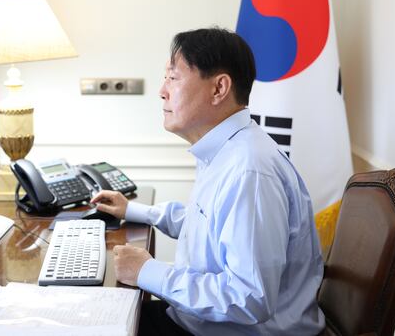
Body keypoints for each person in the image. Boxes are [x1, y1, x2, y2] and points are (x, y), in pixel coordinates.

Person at [90, 27, 325, 336]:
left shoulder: (249, 171)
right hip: (205, 323)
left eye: (173, 78)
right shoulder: (227, 150)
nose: (162, 91)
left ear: (219, 88)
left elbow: (249, 299)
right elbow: (205, 224)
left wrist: (147, 271)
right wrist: (133, 210)